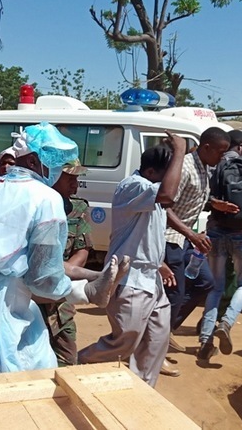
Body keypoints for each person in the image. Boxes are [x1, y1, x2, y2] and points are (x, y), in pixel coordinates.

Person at [0, 123, 122, 378]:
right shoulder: (46, 198)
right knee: (10, 384)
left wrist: (94, 276)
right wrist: (85, 292)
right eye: (55, 162)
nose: (58, 169)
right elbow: (42, 278)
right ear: (32, 160)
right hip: (2, 309)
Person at [79, 134, 187, 387]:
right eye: (167, 174)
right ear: (150, 172)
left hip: (151, 280)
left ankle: (143, 390)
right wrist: (180, 152)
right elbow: (167, 195)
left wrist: (158, 263)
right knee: (124, 343)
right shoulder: (133, 186)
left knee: (156, 341)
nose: (171, 182)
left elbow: (148, 229)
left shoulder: (151, 194)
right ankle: (79, 360)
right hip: (130, 280)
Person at [163, 127, 232, 376]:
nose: (222, 157)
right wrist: (191, 234)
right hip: (169, 239)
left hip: (185, 240)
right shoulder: (184, 168)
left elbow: (192, 196)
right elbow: (164, 206)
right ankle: (156, 346)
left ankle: (165, 331)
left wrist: (214, 204)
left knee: (205, 282)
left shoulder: (205, 167)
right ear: (207, 147)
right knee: (174, 294)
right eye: (220, 152)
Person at [196, 131, 242, 361]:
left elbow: (205, 199)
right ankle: (227, 322)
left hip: (216, 231)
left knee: (216, 287)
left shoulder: (213, 164)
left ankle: (205, 340)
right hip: (241, 233)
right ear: (240, 146)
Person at [38, 159, 92, 367]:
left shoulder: (78, 208)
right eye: (69, 178)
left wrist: (58, 275)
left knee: (67, 359)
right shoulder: (36, 205)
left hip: (61, 302)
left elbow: (82, 251)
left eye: (76, 178)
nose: (74, 184)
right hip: (31, 300)